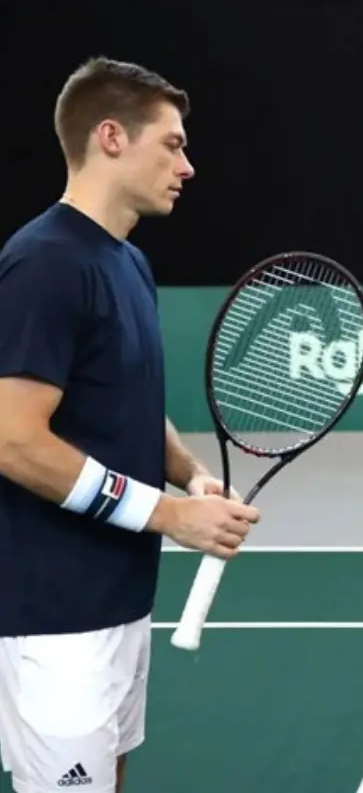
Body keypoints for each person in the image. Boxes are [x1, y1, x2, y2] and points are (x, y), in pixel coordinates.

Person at [0, 57, 261, 793]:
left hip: (118, 598)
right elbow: (14, 441)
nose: (188, 165)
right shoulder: (44, 263)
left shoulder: (127, 264)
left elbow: (128, 403)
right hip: (55, 616)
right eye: (172, 144)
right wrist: (168, 513)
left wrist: (190, 475)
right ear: (111, 137)